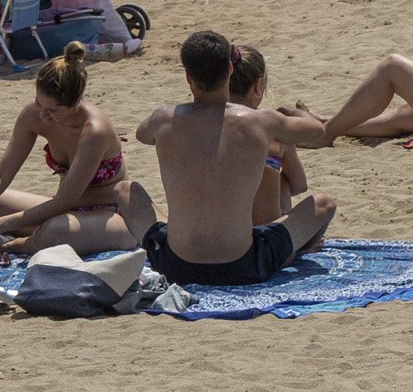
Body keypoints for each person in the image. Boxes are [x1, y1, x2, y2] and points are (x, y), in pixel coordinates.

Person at [133, 32, 335, 286]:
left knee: (125, 190)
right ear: (229, 69)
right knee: (324, 204)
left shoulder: (164, 118)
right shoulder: (261, 121)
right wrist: (294, 113)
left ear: (188, 77)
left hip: (176, 266)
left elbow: (142, 134)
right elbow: (318, 132)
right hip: (243, 264)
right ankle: (295, 252)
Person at [0, 43, 154, 253]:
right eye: (39, 103)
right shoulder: (34, 114)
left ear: (76, 103)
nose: (43, 115)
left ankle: (8, 246)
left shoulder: (94, 131)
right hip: (61, 210)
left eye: (53, 111)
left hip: (109, 215)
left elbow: (64, 201)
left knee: (56, 230)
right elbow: (1, 173)